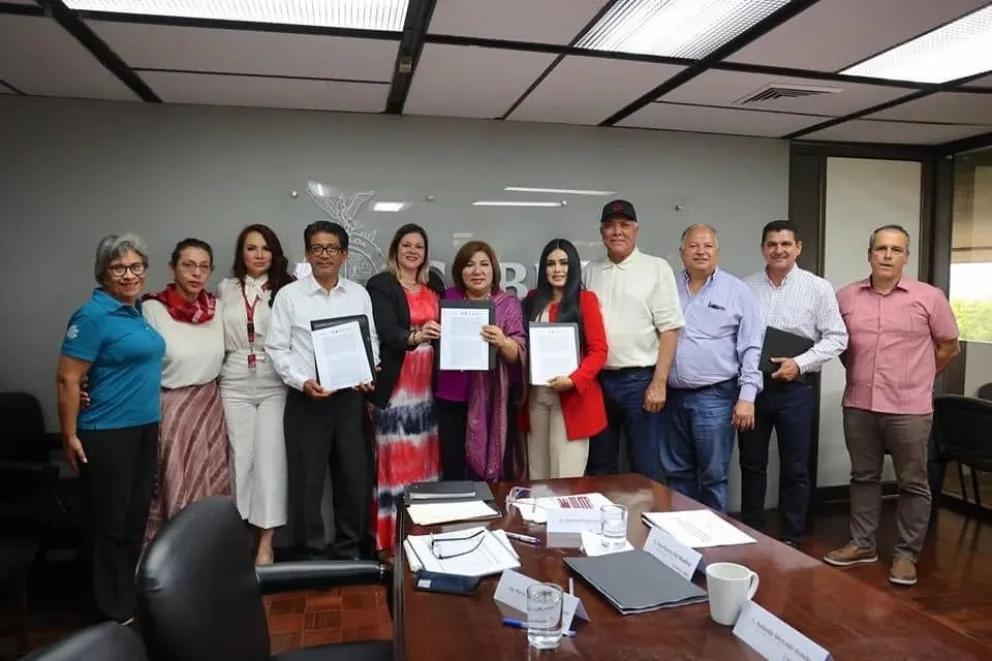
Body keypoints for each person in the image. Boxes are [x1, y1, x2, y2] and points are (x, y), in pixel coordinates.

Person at [825, 224, 959, 586]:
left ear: (906, 257)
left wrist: (919, 378)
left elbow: (949, 345)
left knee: (912, 482)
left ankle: (906, 554)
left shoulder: (929, 297)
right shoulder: (846, 297)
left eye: (895, 250)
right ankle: (862, 544)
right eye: (881, 248)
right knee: (864, 477)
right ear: (869, 254)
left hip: (909, 408)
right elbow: (841, 348)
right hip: (859, 404)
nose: (887, 255)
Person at [56, 233, 164, 623]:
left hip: (144, 428)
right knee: (109, 524)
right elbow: (68, 379)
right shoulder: (92, 315)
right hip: (106, 432)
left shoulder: (134, 312)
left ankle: (127, 601)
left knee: (134, 520)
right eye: (119, 268)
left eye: (136, 267)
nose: (129, 274)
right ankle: (107, 611)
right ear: (104, 272)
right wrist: (69, 434)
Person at [266, 221, 379, 560]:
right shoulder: (289, 296)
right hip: (307, 400)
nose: (324, 255)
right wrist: (302, 381)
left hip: (348, 400)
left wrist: (367, 371)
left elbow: (370, 340)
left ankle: (349, 551)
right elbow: (276, 348)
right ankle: (311, 555)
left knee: (353, 480)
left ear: (344, 255)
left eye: (332, 248)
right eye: (317, 248)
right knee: (307, 483)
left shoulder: (358, 294)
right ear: (307, 253)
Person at [740, 220, 847, 547]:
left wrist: (798, 365)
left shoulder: (818, 287)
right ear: (762, 248)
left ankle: (791, 539)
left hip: (796, 390)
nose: (779, 250)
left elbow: (837, 338)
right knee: (751, 464)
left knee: (795, 467)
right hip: (754, 388)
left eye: (786, 244)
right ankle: (751, 532)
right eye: (772, 244)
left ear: (798, 247)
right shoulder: (745, 286)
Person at [661, 225, 763, 512]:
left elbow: (752, 346)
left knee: (713, 477)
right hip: (672, 397)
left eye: (708, 246)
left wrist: (747, 397)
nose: (701, 251)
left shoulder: (737, 291)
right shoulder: (667, 287)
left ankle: (714, 541)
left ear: (717, 252)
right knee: (676, 474)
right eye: (693, 246)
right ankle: (679, 538)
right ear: (682, 253)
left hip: (715, 397)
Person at [583, 199, 684, 479]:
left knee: (645, 466)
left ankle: (643, 523)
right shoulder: (591, 270)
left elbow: (670, 329)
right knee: (600, 464)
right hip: (599, 382)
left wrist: (659, 383)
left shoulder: (656, 267)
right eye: (610, 226)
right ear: (601, 232)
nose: (617, 232)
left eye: (624, 225)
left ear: (636, 230)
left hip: (640, 383)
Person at [142, 238, 231, 543]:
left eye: (203, 267)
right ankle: (174, 564)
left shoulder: (217, 309)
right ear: (173, 267)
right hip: (173, 408)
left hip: (209, 404)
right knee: (175, 486)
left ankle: (207, 557)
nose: (196, 273)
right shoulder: (153, 308)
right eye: (188, 265)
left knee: (210, 484)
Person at [217, 224, 295, 565]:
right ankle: (237, 538)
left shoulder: (287, 290)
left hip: (274, 378)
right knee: (239, 460)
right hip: (233, 378)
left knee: (270, 461)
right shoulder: (225, 288)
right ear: (241, 253)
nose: (259, 254)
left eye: (265, 248)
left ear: (274, 253)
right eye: (251, 248)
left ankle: (266, 544)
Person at [366, 224, 445, 555]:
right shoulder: (382, 284)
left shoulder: (434, 283)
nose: (413, 251)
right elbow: (385, 329)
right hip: (396, 391)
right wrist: (414, 338)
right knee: (394, 465)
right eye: (406, 245)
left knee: (425, 462)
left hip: (427, 391)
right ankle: (390, 541)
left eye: (419, 246)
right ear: (395, 248)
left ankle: (423, 533)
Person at [436, 240, 527, 482]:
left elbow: (518, 354)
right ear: (459, 271)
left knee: (489, 478)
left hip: (492, 402)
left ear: (494, 270)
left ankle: (490, 518)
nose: (477, 271)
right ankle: (456, 519)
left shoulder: (508, 304)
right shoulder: (445, 299)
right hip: (450, 399)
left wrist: (502, 341)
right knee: (454, 470)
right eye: (469, 265)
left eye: (484, 264)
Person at [520, 238, 608, 479]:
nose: (557, 269)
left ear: (574, 266)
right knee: (538, 476)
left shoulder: (585, 300)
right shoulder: (531, 300)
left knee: (564, 478)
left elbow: (599, 351)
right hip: (537, 396)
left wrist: (574, 379)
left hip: (571, 398)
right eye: (550, 264)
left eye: (563, 263)